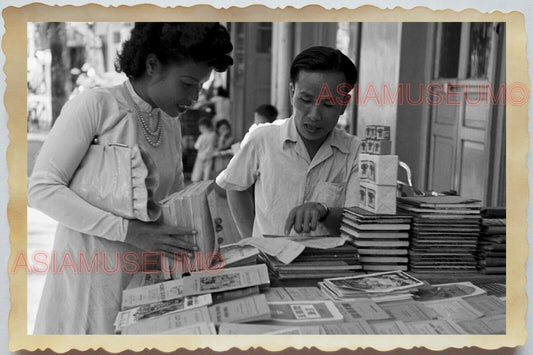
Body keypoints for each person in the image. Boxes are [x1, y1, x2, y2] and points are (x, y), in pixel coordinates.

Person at [27, 22, 233, 334]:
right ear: (153, 65)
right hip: (89, 276)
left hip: (147, 280)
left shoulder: (170, 122)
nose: (194, 97)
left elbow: (171, 201)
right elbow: (41, 188)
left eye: (200, 88)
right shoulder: (96, 106)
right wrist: (128, 231)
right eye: (188, 84)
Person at [216, 46, 360, 239]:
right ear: (292, 91)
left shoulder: (355, 151)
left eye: (328, 104)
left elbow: (358, 216)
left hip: (328, 266)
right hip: (268, 263)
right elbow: (235, 187)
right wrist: (251, 242)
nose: (314, 115)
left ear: (343, 104)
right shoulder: (262, 139)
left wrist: (323, 211)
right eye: (306, 100)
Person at [191, 117, 217, 182]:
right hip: (209, 155)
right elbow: (215, 144)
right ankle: (206, 185)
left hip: (201, 156)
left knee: (198, 171)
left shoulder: (201, 136)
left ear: (203, 127)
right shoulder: (214, 135)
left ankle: (196, 184)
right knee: (207, 172)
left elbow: (197, 146)